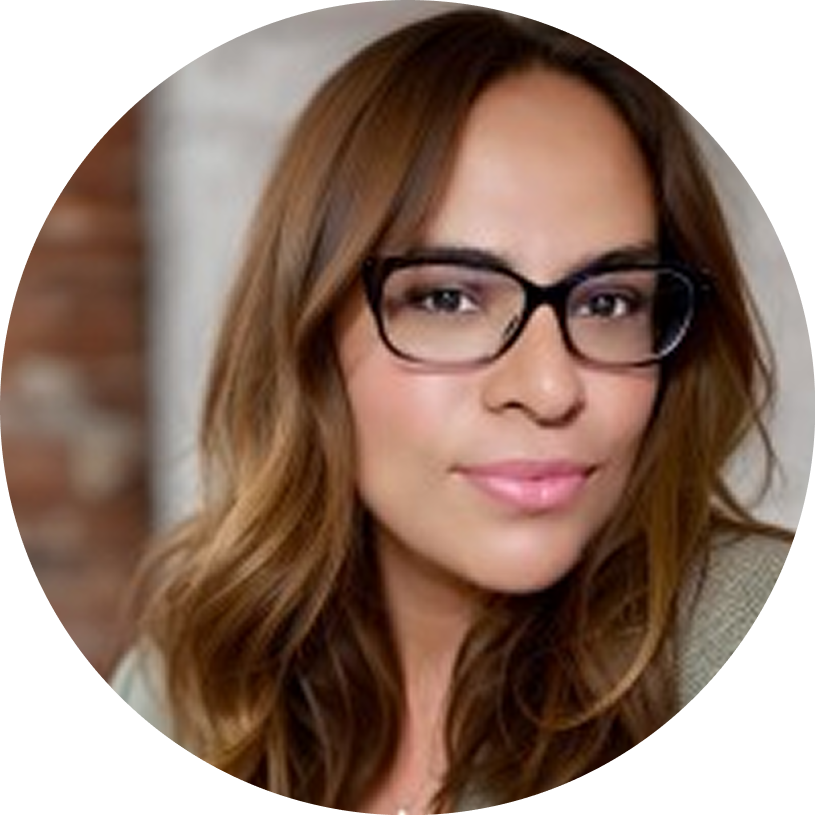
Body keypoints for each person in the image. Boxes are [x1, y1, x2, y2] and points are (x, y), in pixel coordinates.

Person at [111, 10, 793, 813]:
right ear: (309, 332)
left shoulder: (734, 625)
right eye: (448, 298)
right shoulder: (190, 677)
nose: (550, 389)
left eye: (609, 301)